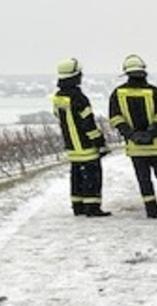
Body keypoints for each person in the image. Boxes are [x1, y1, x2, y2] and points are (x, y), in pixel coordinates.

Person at [108, 55, 157, 219]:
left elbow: (115, 118)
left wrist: (131, 134)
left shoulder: (117, 94)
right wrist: (151, 133)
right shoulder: (155, 92)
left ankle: (151, 209)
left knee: (144, 180)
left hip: (136, 149)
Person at [51, 57, 110, 217]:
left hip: (71, 146)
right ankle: (92, 207)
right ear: (75, 76)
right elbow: (88, 124)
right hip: (86, 146)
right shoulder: (79, 98)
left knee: (76, 176)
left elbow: (59, 116)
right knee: (92, 176)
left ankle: (78, 206)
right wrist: (99, 142)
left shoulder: (58, 97)